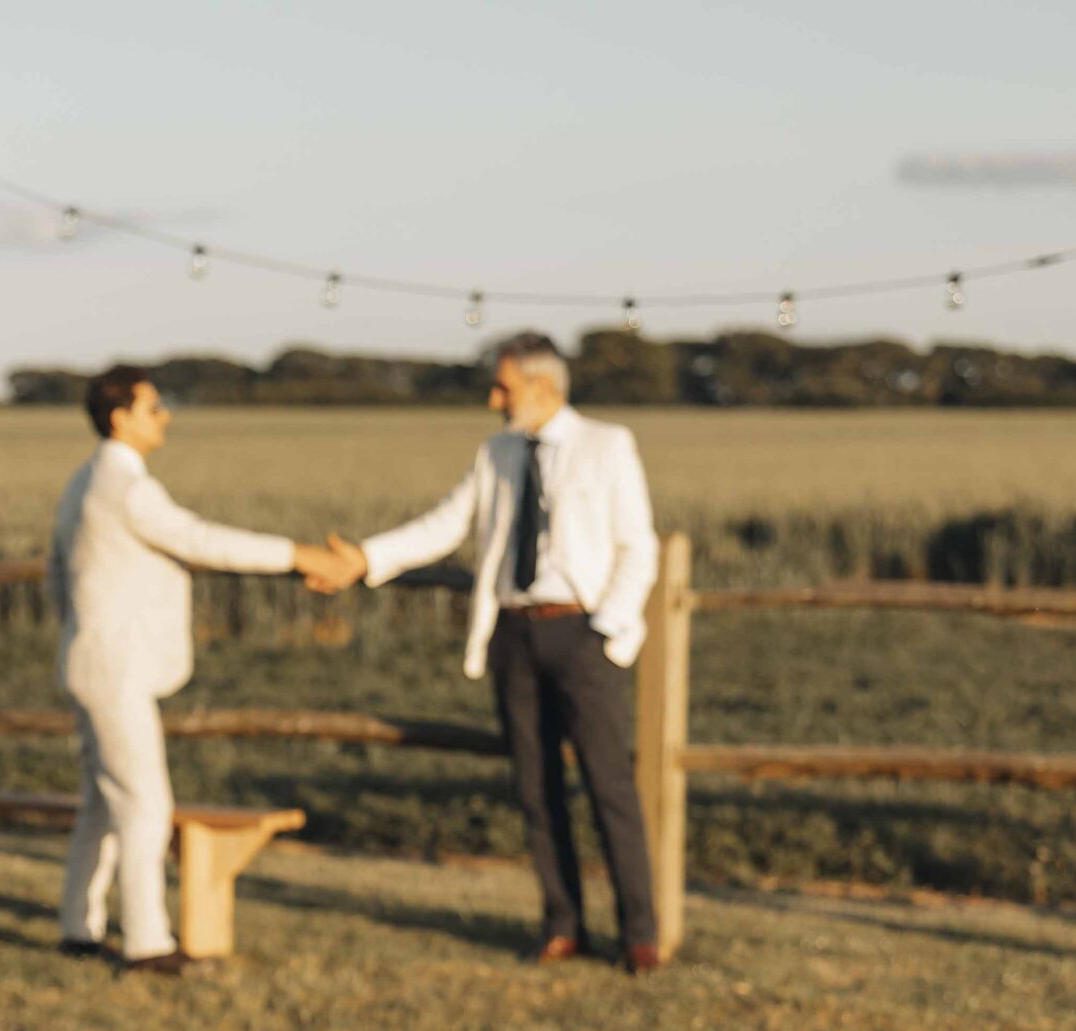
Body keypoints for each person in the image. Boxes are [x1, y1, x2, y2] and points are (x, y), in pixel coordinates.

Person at [314, 333, 665, 973]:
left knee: (610, 785)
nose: (492, 398)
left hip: (581, 635)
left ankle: (639, 935)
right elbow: (447, 525)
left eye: (503, 386)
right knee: (535, 789)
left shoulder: (607, 446)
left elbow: (638, 546)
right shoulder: (496, 453)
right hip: (514, 638)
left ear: (543, 386)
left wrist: (607, 632)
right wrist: (365, 558)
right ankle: (563, 925)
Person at [50, 366, 350, 977]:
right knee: (144, 803)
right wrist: (296, 555)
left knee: (102, 804)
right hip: (116, 665)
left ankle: (78, 928)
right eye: (153, 407)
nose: (164, 417)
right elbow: (201, 539)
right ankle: (147, 942)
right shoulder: (127, 488)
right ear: (121, 417)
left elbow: (57, 575)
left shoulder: (82, 483)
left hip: (86, 657)